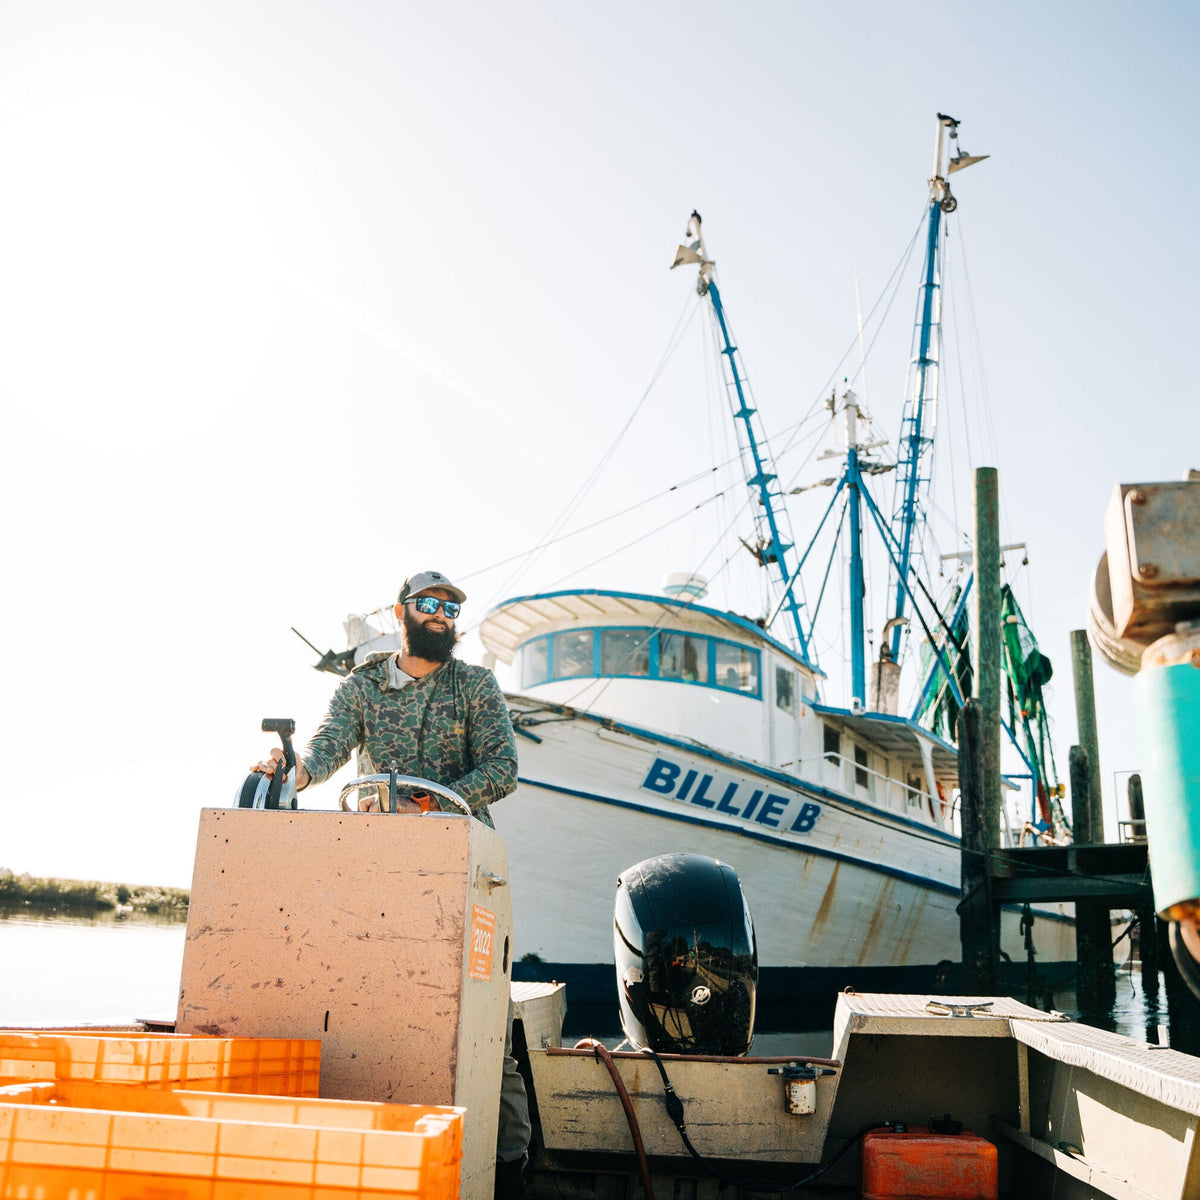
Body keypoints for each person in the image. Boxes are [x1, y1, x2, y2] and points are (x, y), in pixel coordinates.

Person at [255, 569, 530, 1200]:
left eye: (450, 610)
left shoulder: (475, 685)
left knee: (487, 1027)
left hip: (467, 869)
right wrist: (291, 771)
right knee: (372, 1002)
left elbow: (503, 768)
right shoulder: (362, 687)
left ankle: (509, 1165)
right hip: (379, 871)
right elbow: (325, 750)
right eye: (428, 604)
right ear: (402, 612)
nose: (440, 616)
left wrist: (431, 803)